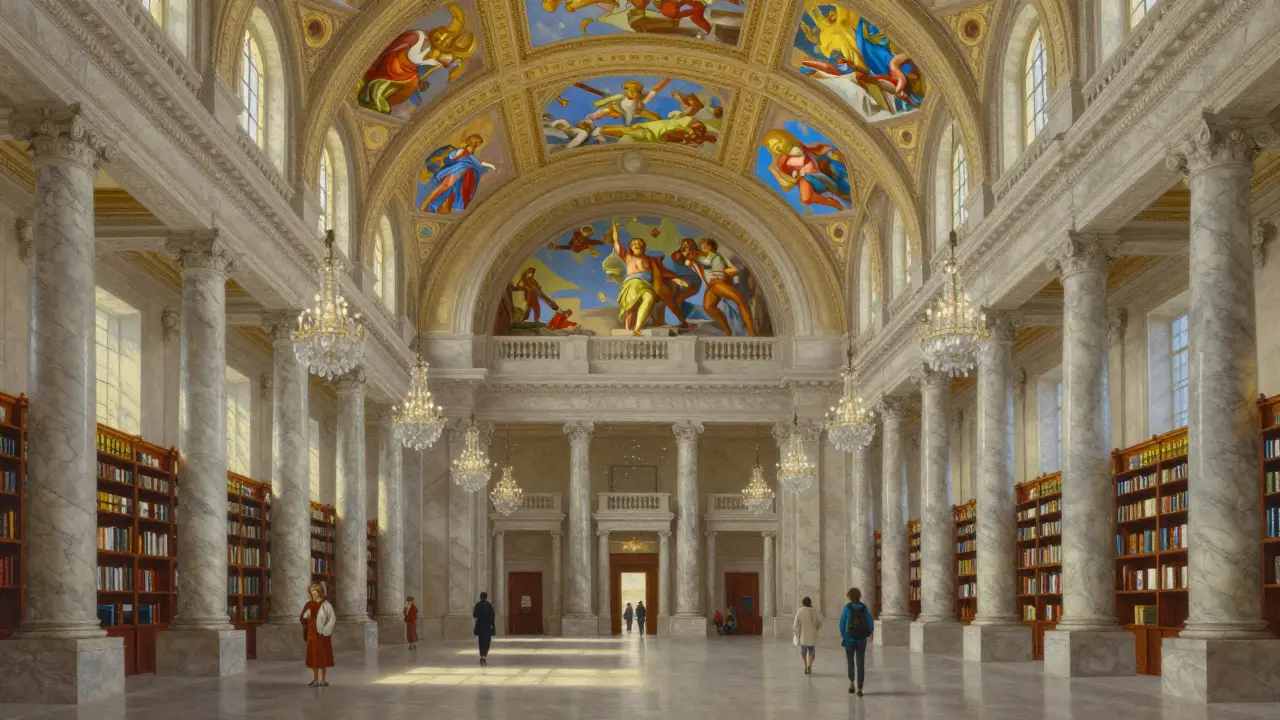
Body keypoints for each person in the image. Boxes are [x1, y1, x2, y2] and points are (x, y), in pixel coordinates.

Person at [839, 587, 875, 696]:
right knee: (860, 662)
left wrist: (844, 637)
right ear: (859, 596)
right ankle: (860, 687)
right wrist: (867, 633)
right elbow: (870, 623)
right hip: (861, 640)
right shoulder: (864, 608)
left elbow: (841, 624)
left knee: (850, 661)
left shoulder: (847, 608)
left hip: (849, 639)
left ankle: (851, 684)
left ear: (849, 596)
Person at [299, 582, 335, 687]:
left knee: (322, 657)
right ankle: (315, 680)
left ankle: (323, 680)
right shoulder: (309, 604)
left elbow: (331, 619)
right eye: (311, 591)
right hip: (312, 634)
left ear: (320, 591)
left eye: (315, 591)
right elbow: (302, 619)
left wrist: (325, 630)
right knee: (313, 657)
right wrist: (306, 617)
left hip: (323, 635)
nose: (313, 593)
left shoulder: (326, 604)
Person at [792, 596, 823, 675]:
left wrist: (797, 633)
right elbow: (819, 623)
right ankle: (809, 665)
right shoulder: (815, 611)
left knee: (803, 652)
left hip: (804, 635)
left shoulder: (800, 611)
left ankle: (806, 665)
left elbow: (795, 625)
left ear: (803, 603)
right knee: (812, 650)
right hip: (813, 635)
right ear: (810, 602)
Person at [473, 591, 496, 665]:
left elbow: (474, 615)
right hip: (487, 626)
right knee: (487, 642)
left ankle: (481, 655)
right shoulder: (489, 605)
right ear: (486, 597)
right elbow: (492, 616)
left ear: (480, 597)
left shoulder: (478, 605)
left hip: (480, 626)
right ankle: (484, 656)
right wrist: (493, 627)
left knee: (481, 642)